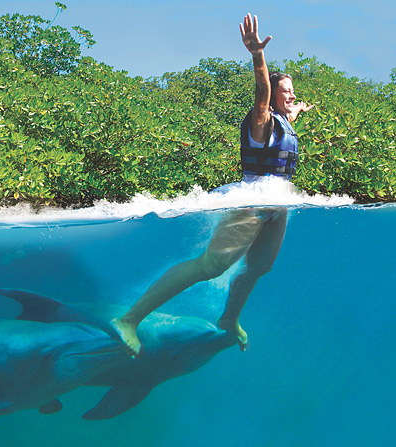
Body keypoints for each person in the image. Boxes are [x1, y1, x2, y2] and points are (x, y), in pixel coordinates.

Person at [111, 13, 313, 357]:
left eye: (294, 90)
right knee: (211, 266)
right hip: (252, 200)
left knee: (260, 266)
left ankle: (228, 319)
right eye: (286, 91)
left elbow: (287, 112)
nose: (291, 95)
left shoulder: (284, 119)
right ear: (271, 96)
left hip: (278, 204)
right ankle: (129, 319)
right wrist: (256, 55)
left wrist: (298, 109)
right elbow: (263, 93)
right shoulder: (260, 120)